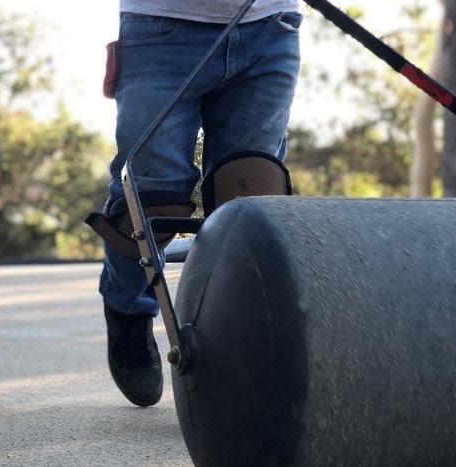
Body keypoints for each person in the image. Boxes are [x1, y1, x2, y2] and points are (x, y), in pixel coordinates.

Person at [87, 1, 302, 407]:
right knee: (153, 196)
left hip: (270, 26)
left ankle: (234, 344)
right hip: (162, 27)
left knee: (250, 196)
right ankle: (128, 309)